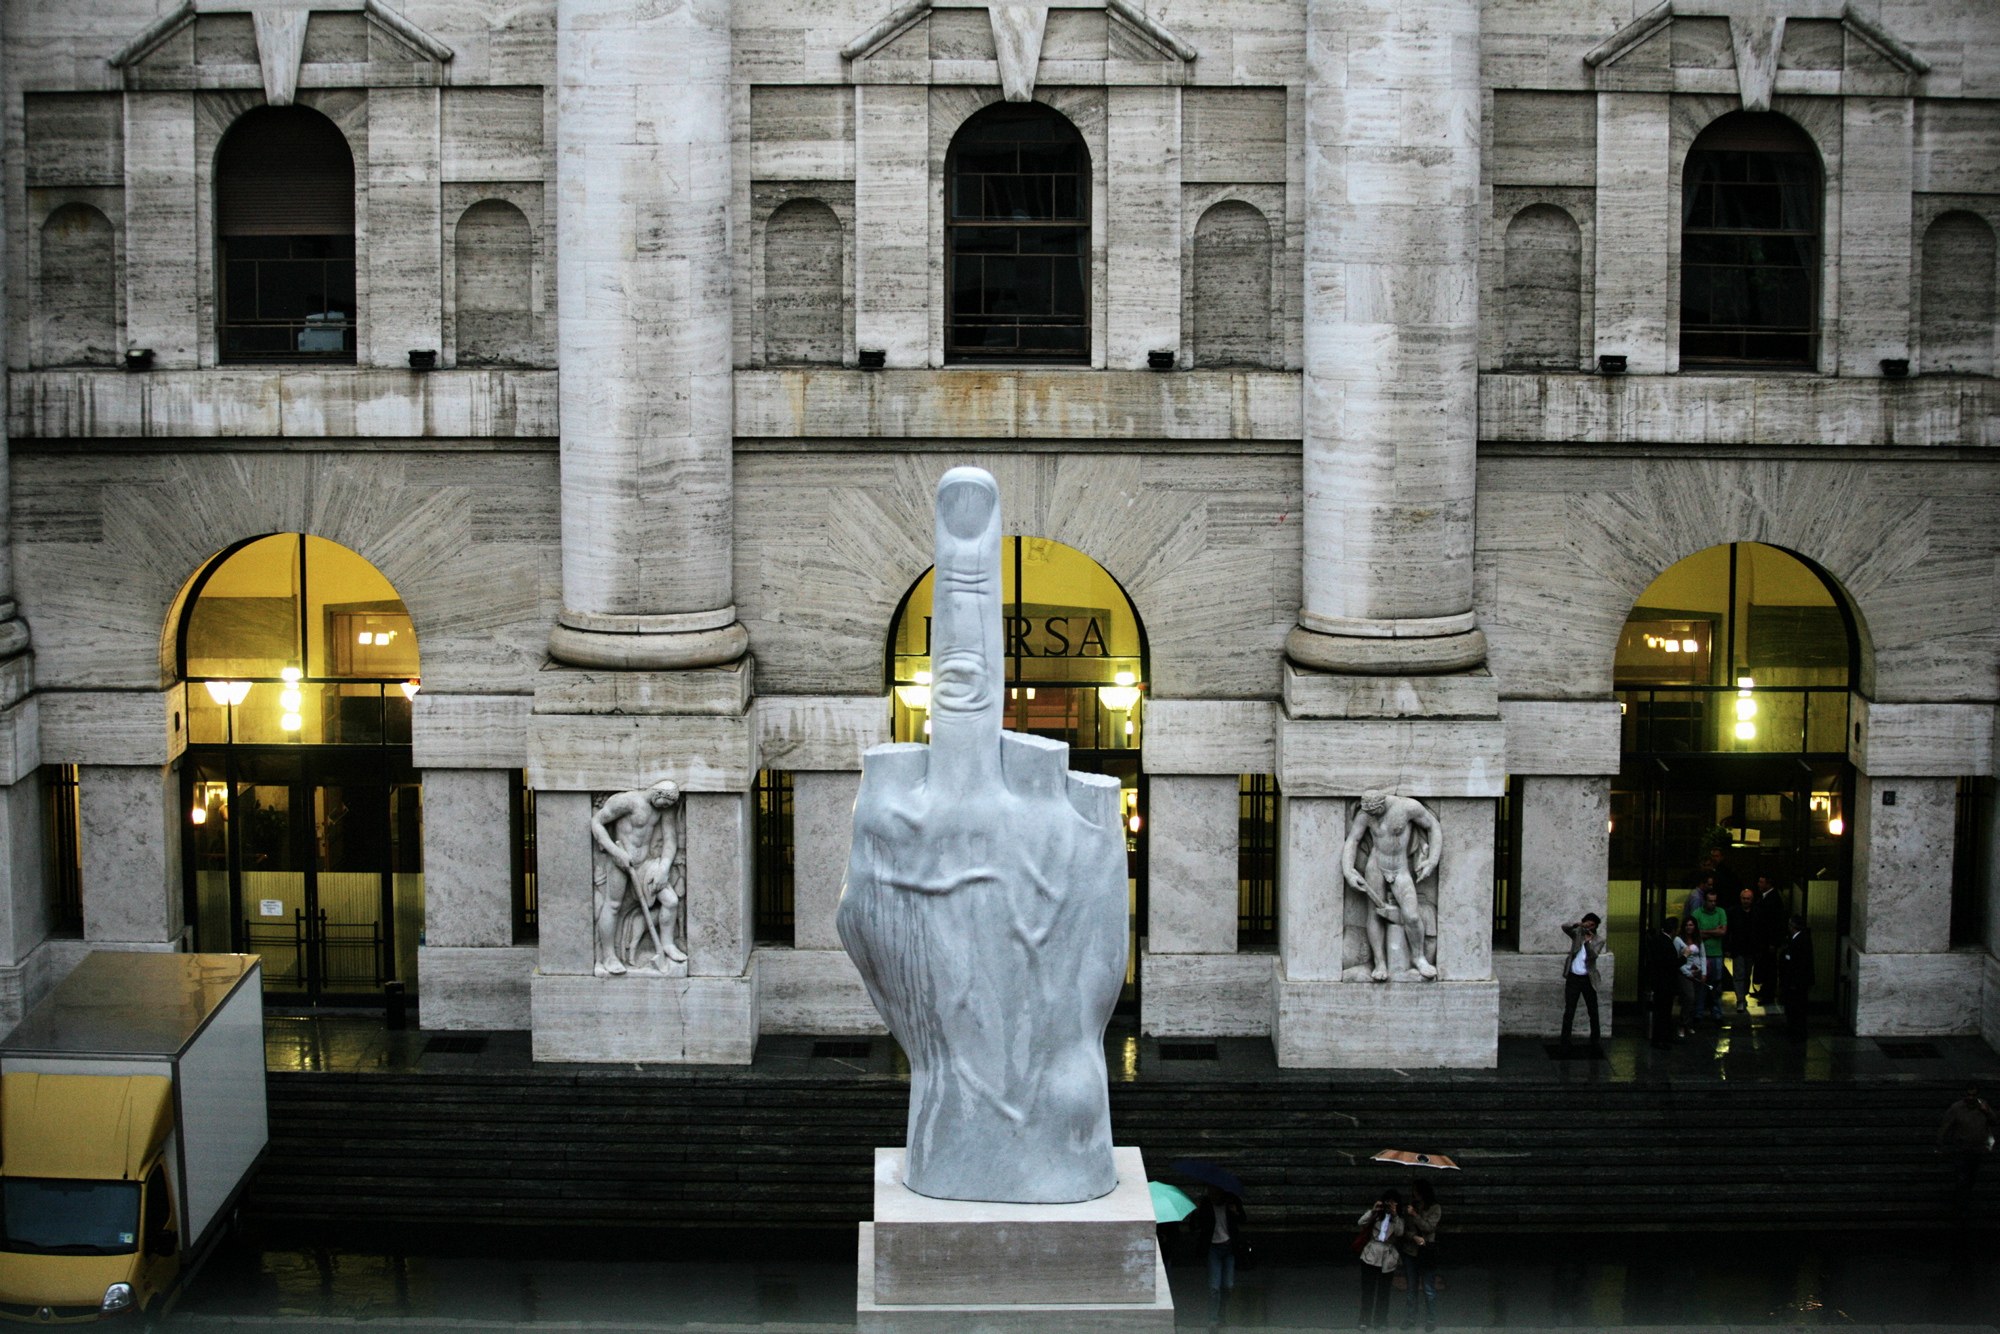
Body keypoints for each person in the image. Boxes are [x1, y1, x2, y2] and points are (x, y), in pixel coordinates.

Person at [1188, 1185, 1246, 1321]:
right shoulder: (1206, 1204)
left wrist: (1236, 1212)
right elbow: (1194, 1226)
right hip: (1213, 1249)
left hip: (1229, 1248)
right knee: (1214, 1287)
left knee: (1228, 1286)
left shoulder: (1232, 1202)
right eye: (1211, 1191)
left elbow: (1243, 1219)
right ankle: (1213, 1318)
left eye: (1215, 1192)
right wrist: (1196, 1212)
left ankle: (1222, 1311)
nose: (1213, 1194)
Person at [1937, 1086, 1997, 1214]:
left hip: (1977, 1150)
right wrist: (1940, 1143)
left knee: (1971, 1178)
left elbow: (1994, 1121)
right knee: (1962, 1178)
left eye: (1973, 1095)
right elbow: (1945, 1125)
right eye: (1968, 1095)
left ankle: (1964, 1202)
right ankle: (1961, 1206)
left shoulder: (1982, 1107)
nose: (1970, 1098)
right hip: (1961, 1150)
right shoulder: (1957, 1108)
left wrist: (1986, 1111)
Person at [1355, 1189, 1403, 1329]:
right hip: (1371, 1255)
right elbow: (1361, 1223)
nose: (1390, 1205)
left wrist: (1395, 1215)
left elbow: (1400, 1232)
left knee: (1384, 1292)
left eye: (1393, 1202)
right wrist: (1373, 1211)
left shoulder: (1399, 1218)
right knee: (1368, 1290)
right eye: (1388, 1201)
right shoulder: (1376, 1215)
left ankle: (1381, 1321)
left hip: (1388, 1257)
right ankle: (1364, 1320)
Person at [1397, 1181, 1441, 1331]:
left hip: (1426, 1251)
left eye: (1416, 1191)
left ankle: (1431, 1320)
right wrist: (1413, 1236)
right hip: (1411, 1251)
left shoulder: (1434, 1208)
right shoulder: (1411, 1206)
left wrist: (1415, 1215)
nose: (1414, 1193)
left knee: (1428, 1288)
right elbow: (1404, 1230)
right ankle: (1410, 1318)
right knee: (1411, 1287)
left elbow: (1429, 1227)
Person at [1558, 914, 1605, 1049]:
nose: (1590, 927)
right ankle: (1565, 1040)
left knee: (1593, 1010)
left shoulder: (1599, 940)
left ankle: (1595, 1040)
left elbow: (1593, 956)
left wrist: (1588, 943)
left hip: (1588, 979)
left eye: (1592, 925)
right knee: (1569, 1010)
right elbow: (1564, 927)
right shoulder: (1578, 933)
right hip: (1573, 977)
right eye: (1588, 924)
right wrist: (1577, 925)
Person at [1644, 916, 1683, 1047]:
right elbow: (1671, 964)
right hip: (1665, 982)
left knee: (1662, 1011)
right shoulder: (1666, 943)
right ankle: (1660, 1038)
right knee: (1664, 1011)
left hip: (1659, 981)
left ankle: (1664, 1036)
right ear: (1674, 930)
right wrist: (1684, 957)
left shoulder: (1657, 940)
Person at [1691, 887, 1729, 1020]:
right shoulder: (1697, 913)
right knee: (1701, 985)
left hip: (1716, 954)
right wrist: (1714, 932)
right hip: (1702, 955)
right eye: (1710, 901)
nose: (1713, 904)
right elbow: (1695, 933)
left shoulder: (1721, 912)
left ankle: (1716, 1012)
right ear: (1705, 901)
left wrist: (1704, 932)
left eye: (1714, 901)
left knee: (1716, 986)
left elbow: (1723, 932)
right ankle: (1699, 1012)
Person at [1750, 876, 1789, 1005]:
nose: (1759, 884)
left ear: (1768, 884)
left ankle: (1768, 995)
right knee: (1764, 967)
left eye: (1761, 882)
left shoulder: (1774, 900)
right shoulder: (1765, 897)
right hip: (1763, 940)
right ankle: (1764, 991)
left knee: (1769, 969)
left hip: (1768, 941)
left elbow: (1775, 923)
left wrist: (1773, 942)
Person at [1777, 913, 1814, 1040]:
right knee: (1792, 1007)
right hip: (1793, 980)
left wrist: (1794, 982)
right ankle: (1793, 1028)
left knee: (1796, 1008)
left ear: (1793, 926)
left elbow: (1800, 964)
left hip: (1796, 982)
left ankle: (1797, 1031)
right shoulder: (1798, 939)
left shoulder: (1801, 940)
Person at [1726, 886, 1760, 1017]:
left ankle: (1742, 996)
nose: (1745, 901)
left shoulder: (1756, 912)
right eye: (1744, 898)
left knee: (1746, 974)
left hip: (1751, 949)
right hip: (1738, 948)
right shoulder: (1734, 912)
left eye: (1748, 899)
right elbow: (1729, 931)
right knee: (1739, 975)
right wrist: (1728, 948)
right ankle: (1740, 999)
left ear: (1752, 900)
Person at [1675, 917, 1705, 1037]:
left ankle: (1688, 1024)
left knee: (1694, 1000)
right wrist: (1687, 973)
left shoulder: (1698, 939)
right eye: (1687, 925)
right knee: (1689, 997)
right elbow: (1677, 959)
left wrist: (1704, 973)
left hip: (1697, 972)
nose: (1689, 927)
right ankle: (1682, 1025)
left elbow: (1703, 956)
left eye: (1691, 925)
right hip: (1685, 973)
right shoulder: (1678, 940)